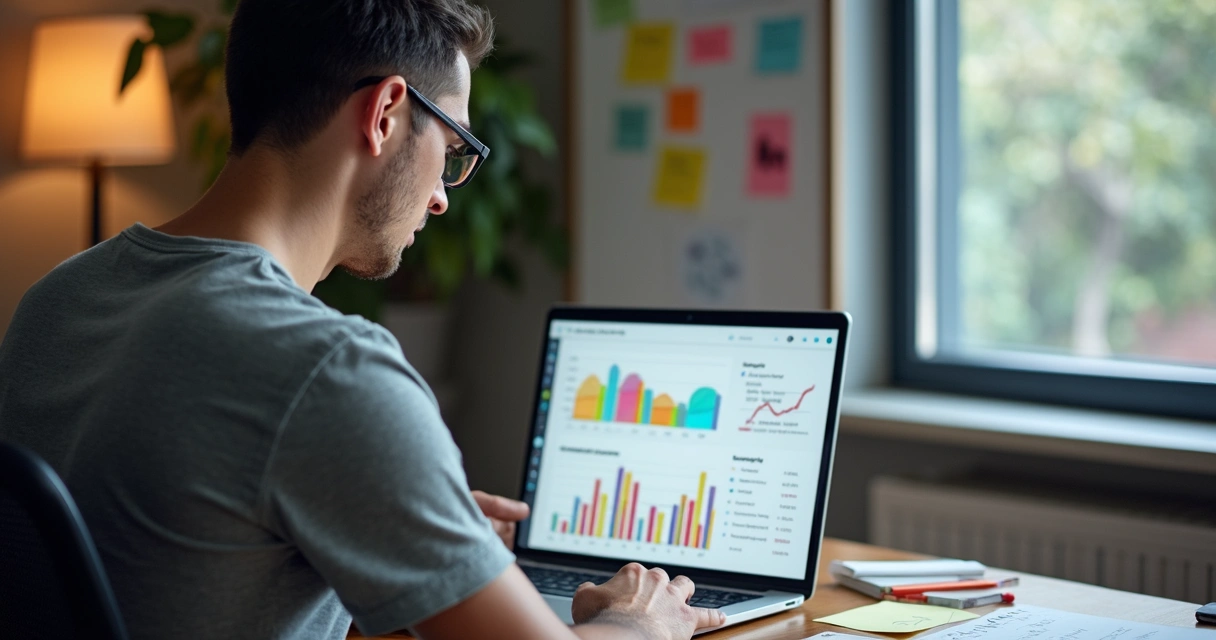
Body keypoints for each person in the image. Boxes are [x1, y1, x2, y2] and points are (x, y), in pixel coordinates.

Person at [0, 0, 725, 638]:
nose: (443, 197)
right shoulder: (325, 370)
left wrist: (387, 516)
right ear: (385, 113)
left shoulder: (60, 297)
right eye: (453, 150)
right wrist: (641, 622)